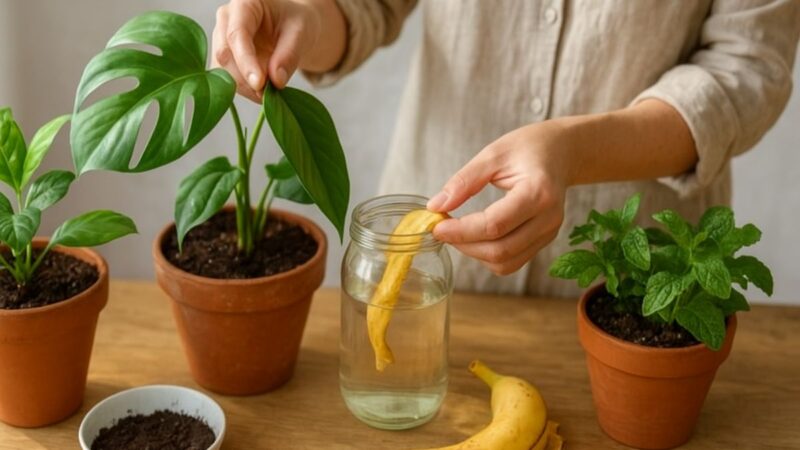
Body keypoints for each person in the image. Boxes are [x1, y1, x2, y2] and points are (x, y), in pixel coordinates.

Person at [212, 0, 800, 297]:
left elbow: (745, 68)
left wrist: (574, 151)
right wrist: (300, 19)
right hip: (432, 262)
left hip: (637, 288)